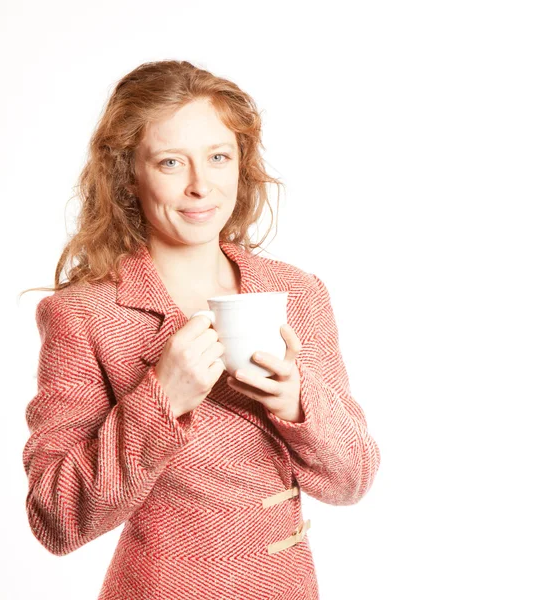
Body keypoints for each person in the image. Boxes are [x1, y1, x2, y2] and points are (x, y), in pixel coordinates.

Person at [21, 60, 381, 600]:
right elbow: (56, 518)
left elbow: (354, 479)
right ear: (128, 175)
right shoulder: (85, 314)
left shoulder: (297, 293)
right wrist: (160, 398)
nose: (200, 186)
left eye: (218, 157)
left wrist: (299, 404)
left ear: (241, 165)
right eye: (170, 162)